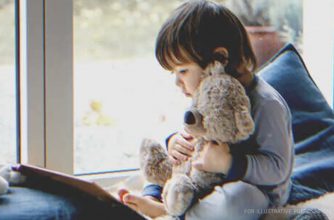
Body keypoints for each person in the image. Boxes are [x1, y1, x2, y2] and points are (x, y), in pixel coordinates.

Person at [119, 0, 294, 219]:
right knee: (155, 160)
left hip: (260, 195)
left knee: (237, 200)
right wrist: (176, 143)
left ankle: (174, 213)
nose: (177, 82)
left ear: (218, 59)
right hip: (202, 181)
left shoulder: (267, 104)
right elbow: (195, 133)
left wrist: (229, 163)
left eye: (182, 71)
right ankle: (155, 197)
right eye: (173, 73)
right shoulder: (206, 91)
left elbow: (278, 169)